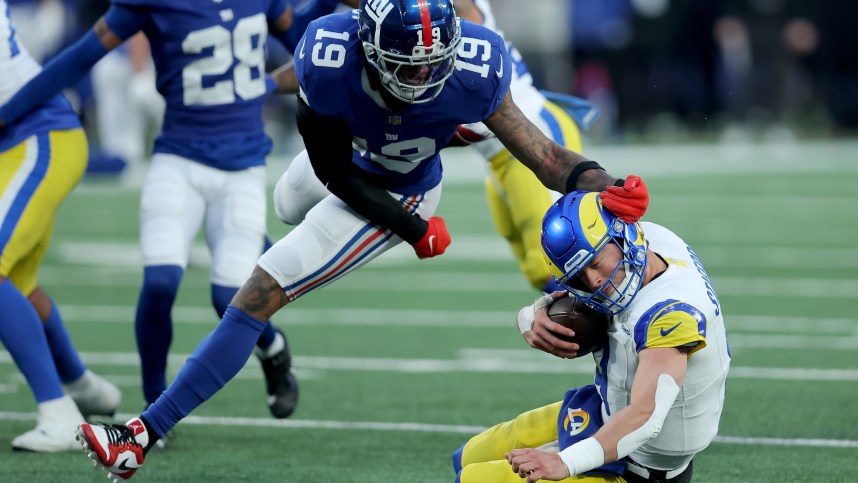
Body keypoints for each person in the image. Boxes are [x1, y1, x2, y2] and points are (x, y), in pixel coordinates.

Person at [73, 1, 649, 480]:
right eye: (410, 66)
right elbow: (334, 173)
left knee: (257, 291)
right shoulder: (325, 54)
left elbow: (546, 155)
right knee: (282, 203)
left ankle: (141, 436)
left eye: (434, 66)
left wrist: (606, 182)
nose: (423, 77)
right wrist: (416, 233)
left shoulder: (476, 61)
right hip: (347, 167)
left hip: (400, 192)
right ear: (370, 49)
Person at [0, 0, 351, 422]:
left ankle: (273, 350)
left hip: (242, 165)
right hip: (178, 157)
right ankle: (152, 405)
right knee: (161, 281)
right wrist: (10, 111)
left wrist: (290, 83)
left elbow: (309, 46)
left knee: (229, 297)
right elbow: (82, 56)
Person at [452, 191, 731, 482]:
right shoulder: (654, 240)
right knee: (469, 456)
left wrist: (564, 462)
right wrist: (532, 315)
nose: (595, 282)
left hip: (637, 465)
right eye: (579, 277)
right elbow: (590, 198)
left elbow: (645, 415)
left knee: (473, 479)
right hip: (603, 412)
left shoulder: (671, 315)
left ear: (623, 238)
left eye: (596, 264)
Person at [0, 0, 121, 452]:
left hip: (37, 137)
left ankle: (58, 414)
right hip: (21, 142)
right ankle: (82, 386)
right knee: (18, 281)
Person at [449, 0, 599, 294]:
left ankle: (642, 332)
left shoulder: (456, 11)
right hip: (498, 153)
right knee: (540, 271)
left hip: (533, 136)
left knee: (568, 262)